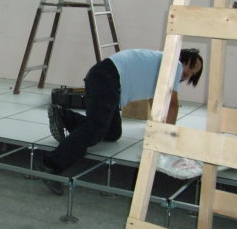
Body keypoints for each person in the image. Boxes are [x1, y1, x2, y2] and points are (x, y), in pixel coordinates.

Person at [39, 48, 204, 194]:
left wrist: (156, 127)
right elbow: (172, 104)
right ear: (182, 59)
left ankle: (63, 116)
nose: (188, 74)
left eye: (193, 74)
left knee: (112, 132)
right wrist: (168, 135)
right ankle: (51, 165)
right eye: (190, 67)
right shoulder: (174, 65)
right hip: (107, 79)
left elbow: (157, 101)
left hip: (104, 77)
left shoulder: (162, 63)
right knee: (95, 130)